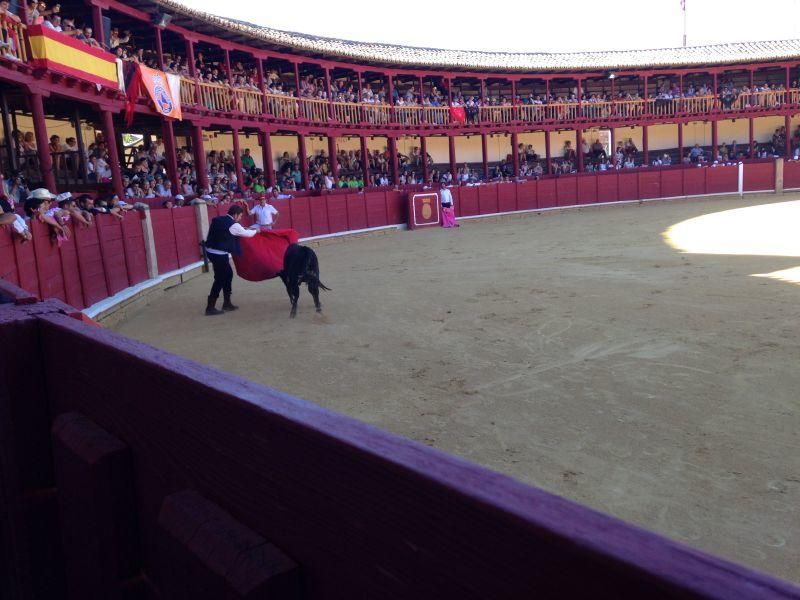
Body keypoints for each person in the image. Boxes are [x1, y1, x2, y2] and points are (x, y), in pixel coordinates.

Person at [203, 204, 256, 315]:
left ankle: (227, 303)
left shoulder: (218, 219)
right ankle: (210, 307)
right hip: (219, 254)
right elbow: (247, 234)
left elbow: (231, 230)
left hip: (211, 251)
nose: (240, 218)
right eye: (240, 216)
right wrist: (257, 231)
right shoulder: (233, 225)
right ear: (235, 214)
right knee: (220, 278)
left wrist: (242, 228)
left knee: (228, 274)